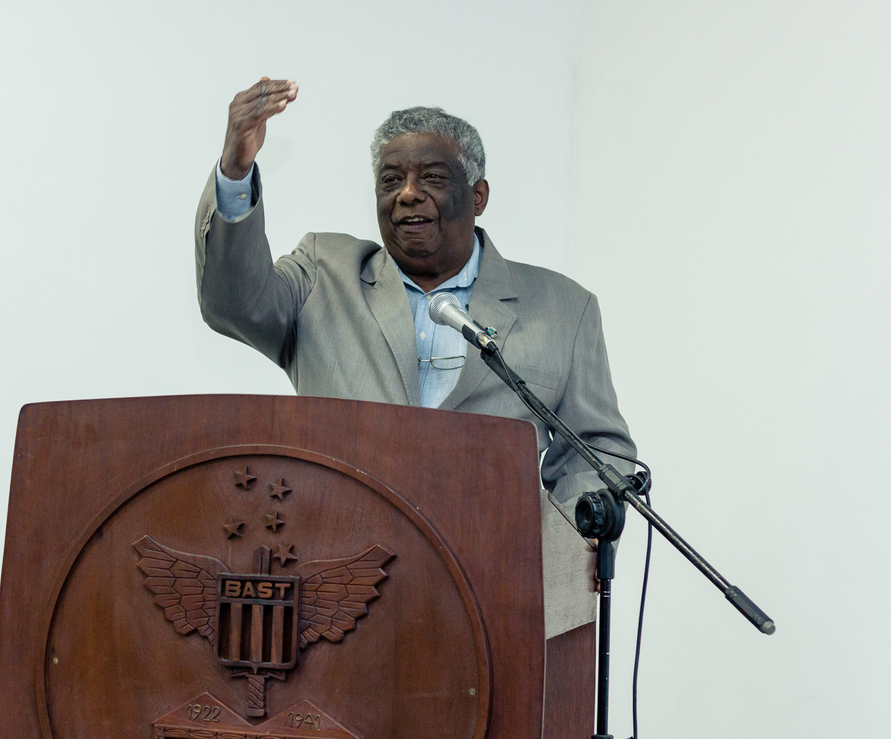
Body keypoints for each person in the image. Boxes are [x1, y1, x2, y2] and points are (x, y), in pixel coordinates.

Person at [195, 78, 636, 511]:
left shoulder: (563, 308)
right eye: (391, 181)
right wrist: (235, 172)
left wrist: (546, 547)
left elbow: (598, 453)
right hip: (340, 561)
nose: (407, 194)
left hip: (488, 570)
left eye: (432, 177)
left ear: (477, 196)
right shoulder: (322, 275)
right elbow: (233, 304)